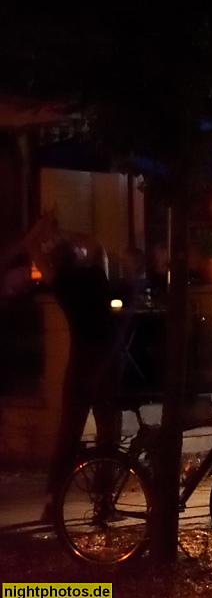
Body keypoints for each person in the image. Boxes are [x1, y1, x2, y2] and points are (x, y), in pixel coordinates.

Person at [23, 219, 122, 518]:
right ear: (77, 254)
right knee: (109, 435)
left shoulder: (62, 285)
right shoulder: (95, 273)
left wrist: (42, 230)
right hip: (106, 362)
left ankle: (52, 506)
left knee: (68, 435)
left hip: (80, 362)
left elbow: (31, 247)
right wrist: (67, 232)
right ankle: (104, 503)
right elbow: (97, 245)